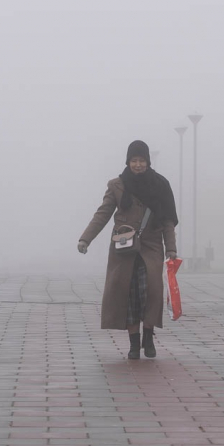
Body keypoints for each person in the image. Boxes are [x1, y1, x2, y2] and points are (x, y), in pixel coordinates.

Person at [78, 140, 178, 359]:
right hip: (124, 248)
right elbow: (102, 214)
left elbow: (168, 220)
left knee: (151, 292)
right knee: (128, 293)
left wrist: (171, 248)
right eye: (134, 160)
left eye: (142, 160)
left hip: (151, 246)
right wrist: (86, 239)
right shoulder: (117, 185)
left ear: (148, 161)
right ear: (128, 161)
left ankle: (148, 338)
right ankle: (134, 344)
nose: (138, 165)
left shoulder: (161, 185)